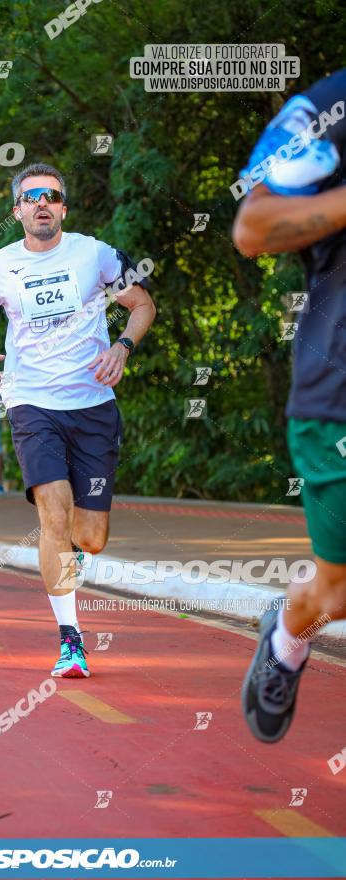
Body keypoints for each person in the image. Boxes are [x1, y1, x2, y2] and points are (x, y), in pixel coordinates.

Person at [0, 162, 156, 677]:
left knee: (89, 536)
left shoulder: (95, 253)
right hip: (31, 402)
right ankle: (70, 640)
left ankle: (74, 554)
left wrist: (123, 346)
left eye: (51, 195)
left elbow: (142, 304)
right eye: (31, 197)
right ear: (18, 210)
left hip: (92, 404)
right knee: (52, 516)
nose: (41, 203)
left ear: (63, 207)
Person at [233, 69, 346, 742]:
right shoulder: (332, 110)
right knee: (334, 592)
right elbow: (253, 226)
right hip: (338, 396)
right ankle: (287, 636)